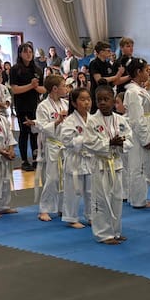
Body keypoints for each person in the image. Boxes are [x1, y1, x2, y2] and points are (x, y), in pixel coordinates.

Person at [83, 86, 131, 244]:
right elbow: (88, 142)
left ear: (113, 100)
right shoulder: (92, 121)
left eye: (106, 99)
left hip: (116, 163)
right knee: (101, 199)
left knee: (117, 198)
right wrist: (109, 143)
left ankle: (115, 231)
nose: (102, 103)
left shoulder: (121, 120)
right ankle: (103, 234)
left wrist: (121, 143)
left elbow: (129, 138)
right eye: (99, 100)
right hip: (100, 164)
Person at [57, 86, 94, 229]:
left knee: (91, 190)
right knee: (73, 190)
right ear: (73, 103)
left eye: (88, 99)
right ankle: (71, 217)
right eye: (82, 99)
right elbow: (66, 140)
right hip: (75, 159)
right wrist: (84, 139)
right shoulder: (70, 121)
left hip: (90, 159)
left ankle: (91, 216)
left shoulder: (93, 119)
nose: (87, 102)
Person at [35, 74, 68, 222]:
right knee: (52, 178)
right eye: (64, 86)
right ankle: (44, 209)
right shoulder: (43, 106)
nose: (66, 89)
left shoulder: (66, 104)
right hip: (53, 145)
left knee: (65, 177)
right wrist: (57, 122)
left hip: (66, 145)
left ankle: (62, 207)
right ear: (55, 89)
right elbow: (42, 127)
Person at [123, 59, 150, 208]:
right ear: (138, 72)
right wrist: (146, 139)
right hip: (138, 133)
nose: (148, 73)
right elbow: (137, 118)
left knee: (144, 165)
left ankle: (138, 197)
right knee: (139, 166)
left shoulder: (139, 90)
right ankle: (138, 200)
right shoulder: (133, 92)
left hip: (146, 127)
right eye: (145, 70)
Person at [10, 43, 44, 171]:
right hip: (22, 105)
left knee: (35, 132)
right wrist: (31, 86)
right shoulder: (15, 69)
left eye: (30, 52)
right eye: (25, 52)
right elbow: (15, 89)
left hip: (34, 105)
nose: (28, 54)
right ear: (20, 54)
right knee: (24, 133)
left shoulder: (37, 70)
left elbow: (43, 89)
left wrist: (35, 87)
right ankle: (24, 160)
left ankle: (35, 158)